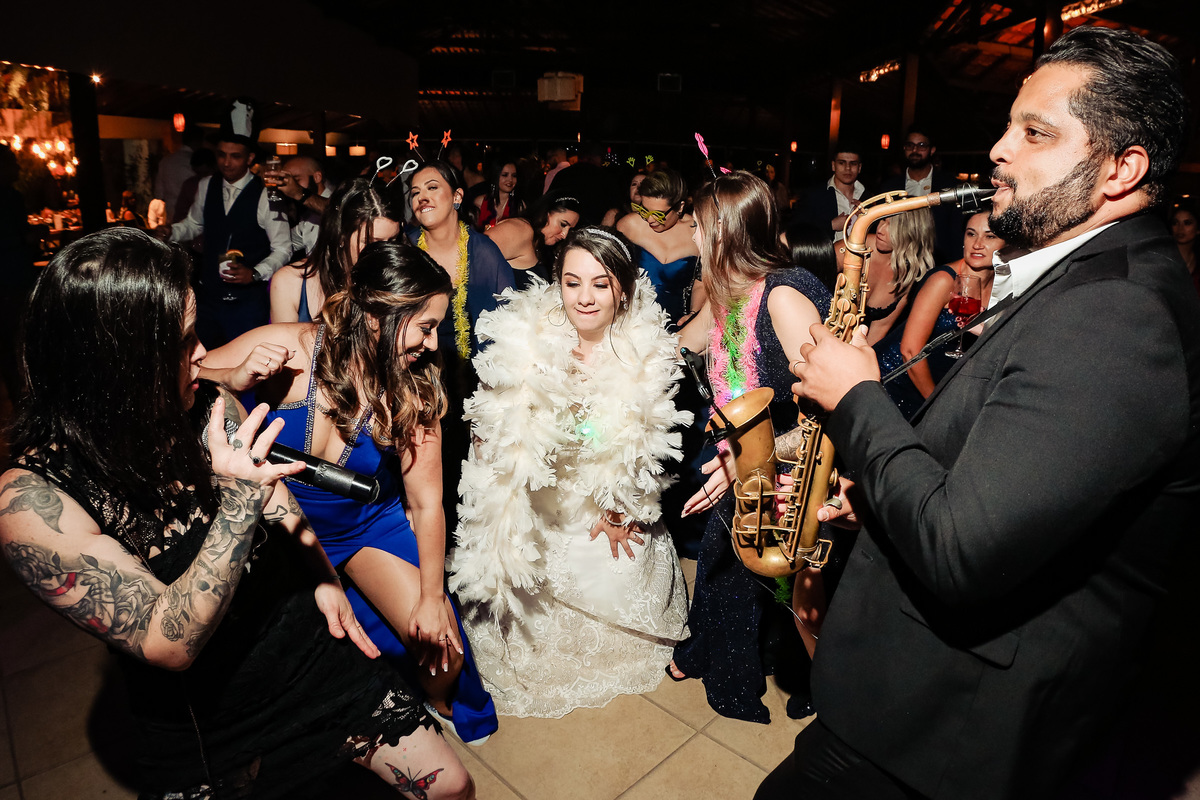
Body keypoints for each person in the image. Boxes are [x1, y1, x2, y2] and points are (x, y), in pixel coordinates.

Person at [762, 26, 1199, 799]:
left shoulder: (1118, 314)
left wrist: (858, 397)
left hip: (946, 732)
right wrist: (880, 497)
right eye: (1008, 126)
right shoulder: (1092, 277)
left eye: (1036, 132)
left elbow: (962, 551)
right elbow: (1011, 480)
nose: (999, 149)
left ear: (1122, 169)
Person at [0, 228, 474, 799]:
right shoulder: (31, 503)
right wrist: (240, 498)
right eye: (184, 341)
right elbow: (169, 642)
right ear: (120, 359)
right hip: (208, 718)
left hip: (307, 651)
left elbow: (282, 498)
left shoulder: (205, 402)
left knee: (452, 785)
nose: (203, 354)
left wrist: (322, 577)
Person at [198, 240, 499, 745]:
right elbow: (174, 385)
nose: (432, 344)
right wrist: (230, 377)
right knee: (285, 670)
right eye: (425, 326)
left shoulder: (414, 387)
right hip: (277, 531)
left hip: (363, 525)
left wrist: (431, 598)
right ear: (379, 316)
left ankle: (427, 698)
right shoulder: (289, 348)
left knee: (443, 656)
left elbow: (426, 503)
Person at [448, 226, 690, 717]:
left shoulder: (645, 349)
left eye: (601, 284)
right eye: (572, 282)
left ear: (624, 289)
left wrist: (618, 508)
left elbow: (643, 451)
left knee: (615, 563)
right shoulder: (528, 336)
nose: (584, 297)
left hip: (602, 488)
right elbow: (493, 430)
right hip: (537, 486)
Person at [669, 171, 832, 723]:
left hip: (795, 467)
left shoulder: (782, 296)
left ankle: (820, 686)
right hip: (743, 458)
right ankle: (718, 662)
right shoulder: (728, 292)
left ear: (723, 232)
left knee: (792, 583)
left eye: (697, 226)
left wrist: (746, 464)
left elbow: (831, 409)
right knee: (726, 561)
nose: (691, 236)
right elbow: (679, 346)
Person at [408, 161, 515, 532]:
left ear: (456, 197)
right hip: (414, 375)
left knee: (459, 472)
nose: (421, 197)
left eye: (431, 188)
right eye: (415, 192)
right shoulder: (407, 249)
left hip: (469, 379)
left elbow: (508, 326)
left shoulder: (483, 252)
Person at [154, 99, 291, 348]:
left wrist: (255, 272)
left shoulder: (267, 193)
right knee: (200, 357)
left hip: (247, 304)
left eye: (235, 156)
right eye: (222, 155)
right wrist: (171, 231)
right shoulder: (206, 185)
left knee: (247, 358)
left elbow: (283, 248)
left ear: (250, 158)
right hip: (208, 297)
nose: (226, 163)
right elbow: (194, 224)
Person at [875, 210, 1004, 418]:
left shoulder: (1002, 286)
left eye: (990, 236)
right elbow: (910, 351)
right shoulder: (944, 280)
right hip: (894, 383)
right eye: (971, 234)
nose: (978, 244)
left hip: (939, 382)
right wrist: (936, 404)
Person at [269, 177, 399, 324]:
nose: (384, 251)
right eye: (371, 242)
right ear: (341, 235)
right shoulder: (290, 282)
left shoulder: (397, 278)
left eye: (392, 240)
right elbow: (283, 338)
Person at [616, 167, 703, 325]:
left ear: (680, 207)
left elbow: (702, 282)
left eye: (658, 214)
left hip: (678, 324)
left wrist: (693, 313)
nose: (650, 220)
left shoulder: (699, 233)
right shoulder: (628, 226)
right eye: (644, 211)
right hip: (633, 323)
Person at [878, 127, 963, 264]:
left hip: (938, 261)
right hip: (897, 261)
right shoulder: (890, 187)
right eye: (910, 145)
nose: (915, 150)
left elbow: (956, 230)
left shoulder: (949, 185)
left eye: (921, 145)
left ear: (932, 150)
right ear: (904, 148)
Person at [856, 206, 936, 345]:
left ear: (912, 232)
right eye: (882, 220)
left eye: (891, 226)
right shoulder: (859, 247)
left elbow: (879, 330)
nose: (880, 230)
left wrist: (859, 356)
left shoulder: (909, 274)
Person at [484, 192, 581, 290]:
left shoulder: (542, 246)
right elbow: (477, 257)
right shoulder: (521, 230)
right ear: (545, 213)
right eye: (563, 224)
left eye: (570, 229)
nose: (564, 235)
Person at [792, 145, 867, 243]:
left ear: (859, 168)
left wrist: (866, 219)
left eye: (853, 164)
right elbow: (796, 232)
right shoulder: (815, 195)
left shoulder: (868, 197)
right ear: (833, 165)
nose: (848, 168)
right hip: (826, 252)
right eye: (842, 163)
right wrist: (831, 225)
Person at [473, 160, 524, 231]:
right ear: (495, 176)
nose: (510, 179)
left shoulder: (519, 205)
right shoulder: (480, 202)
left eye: (514, 176)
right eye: (505, 175)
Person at [1171, 202, 1198, 296]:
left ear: (1198, 228)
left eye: (1187, 223)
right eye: (1175, 223)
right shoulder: (1162, 258)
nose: (1180, 228)